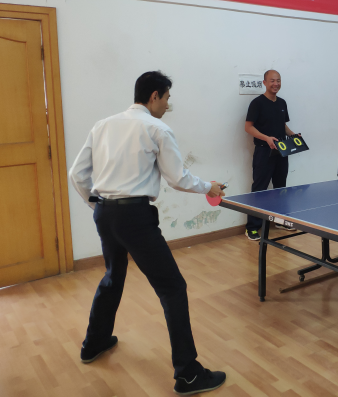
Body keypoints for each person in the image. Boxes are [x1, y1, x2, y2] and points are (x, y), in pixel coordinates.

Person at [69, 71, 227, 395]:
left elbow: (77, 174)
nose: (168, 105)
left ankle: (93, 343)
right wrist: (208, 186)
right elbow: (177, 178)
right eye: (167, 98)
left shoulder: (103, 125)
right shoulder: (157, 128)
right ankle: (188, 374)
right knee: (172, 287)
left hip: (105, 214)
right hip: (135, 217)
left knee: (113, 276)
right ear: (154, 96)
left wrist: (97, 204)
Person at [244, 69, 299, 240]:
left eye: (278, 80)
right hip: (263, 151)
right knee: (259, 190)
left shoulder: (282, 103)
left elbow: (282, 125)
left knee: (281, 188)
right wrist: (266, 138)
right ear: (265, 83)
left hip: (282, 150)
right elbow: (248, 127)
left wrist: (293, 135)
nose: (276, 84)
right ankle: (252, 227)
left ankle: (280, 220)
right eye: (272, 80)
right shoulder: (257, 103)